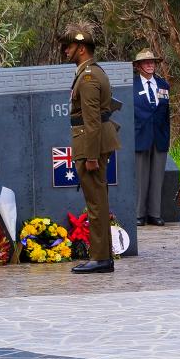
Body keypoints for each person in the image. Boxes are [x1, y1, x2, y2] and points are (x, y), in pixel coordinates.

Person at [63, 22, 120, 274]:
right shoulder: (89, 72)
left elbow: (92, 120)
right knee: (98, 201)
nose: (66, 50)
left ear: (82, 49)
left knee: (95, 203)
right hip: (90, 142)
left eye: (70, 46)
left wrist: (92, 156)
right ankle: (103, 256)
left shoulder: (88, 77)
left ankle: (100, 258)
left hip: (90, 145)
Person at [132, 49, 171, 227]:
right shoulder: (131, 85)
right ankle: (139, 214)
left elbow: (165, 113)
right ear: (138, 66)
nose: (150, 65)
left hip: (160, 136)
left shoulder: (163, 85)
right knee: (140, 177)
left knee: (157, 176)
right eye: (146, 62)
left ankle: (155, 213)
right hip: (140, 135)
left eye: (152, 62)